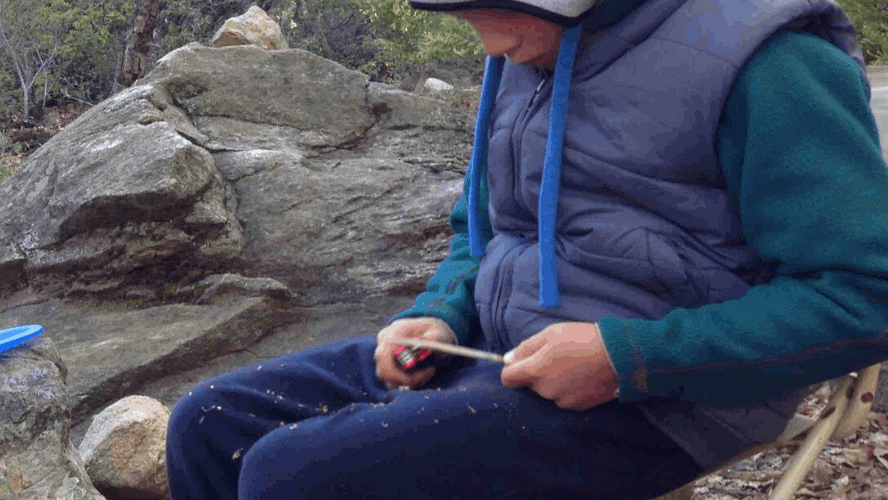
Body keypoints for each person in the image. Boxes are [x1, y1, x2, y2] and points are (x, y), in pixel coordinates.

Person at [165, 0, 888, 498]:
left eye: (497, 13)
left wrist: (629, 357)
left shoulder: (771, 59)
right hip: (506, 349)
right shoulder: (534, 38)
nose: (488, 43)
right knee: (207, 424)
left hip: (669, 396)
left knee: (295, 478)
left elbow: (863, 296)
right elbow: (484, 224)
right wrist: (443, 311)